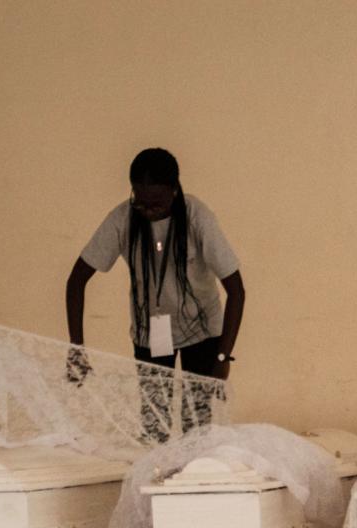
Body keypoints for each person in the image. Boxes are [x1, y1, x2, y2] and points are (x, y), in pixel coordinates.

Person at [64, 147, 244, 383]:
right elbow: (76, 280)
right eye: (141, 204)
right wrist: (77, 349)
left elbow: (236, 290)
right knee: (154, 417)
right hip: (151, 333)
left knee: (199, 418)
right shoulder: (122, 219)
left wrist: (222, 356)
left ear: (175, 191)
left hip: (203, 332)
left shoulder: (197, 216)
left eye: (158, 204)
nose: (148, 212)